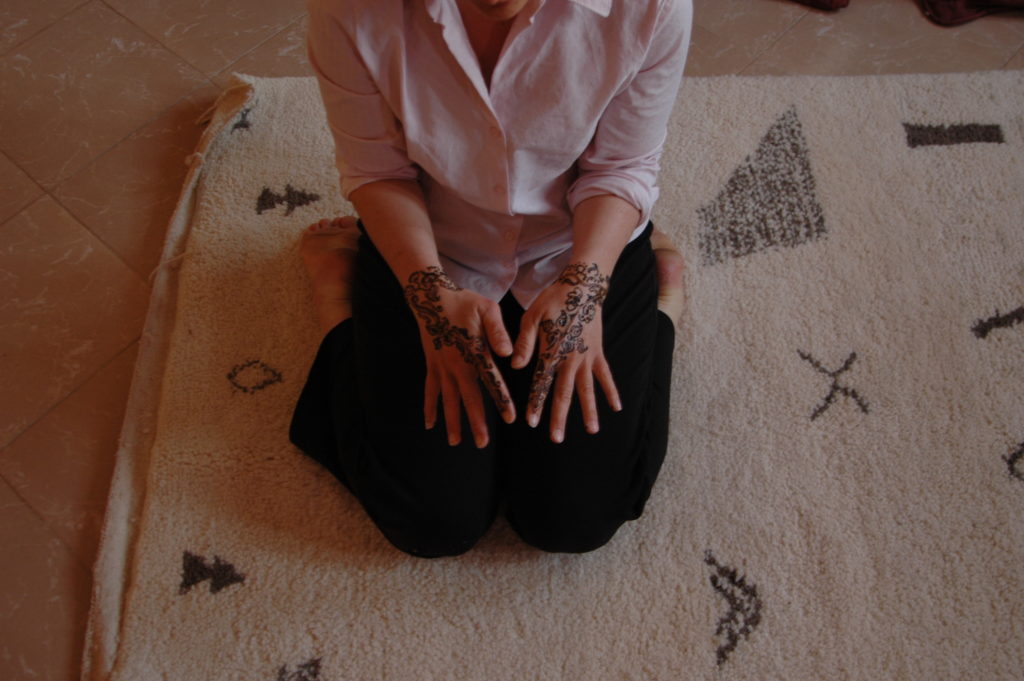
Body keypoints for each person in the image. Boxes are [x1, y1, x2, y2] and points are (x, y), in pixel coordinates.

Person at [290, 0, 692, 557]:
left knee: (575, 519)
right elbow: (378, 170)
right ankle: (337, 292)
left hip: (579, 246)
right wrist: (428, 294)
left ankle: (663, 301)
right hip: (430, 247)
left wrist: (585, 287)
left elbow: (620, 168)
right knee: (429, 522)